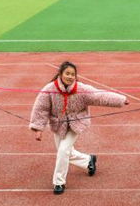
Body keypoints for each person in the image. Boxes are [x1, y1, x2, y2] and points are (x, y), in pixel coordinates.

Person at [30, 61, 128, 194]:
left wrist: (120, 100)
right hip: (58, 125)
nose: (70, 77)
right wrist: (38, 128)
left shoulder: (81, 89)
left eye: (73, 74)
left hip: (76, 124)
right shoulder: (49, 89)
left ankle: (59, 183)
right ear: (60, 74)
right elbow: (41, 108)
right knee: (65, 153)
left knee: (63, 151)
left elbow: (99, 96)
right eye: (67, 74)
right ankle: (88, 160)